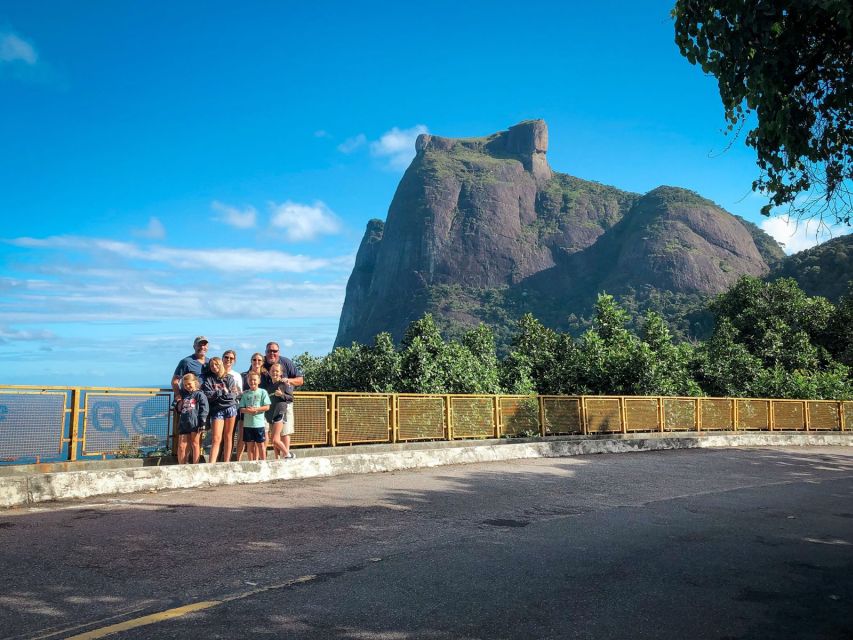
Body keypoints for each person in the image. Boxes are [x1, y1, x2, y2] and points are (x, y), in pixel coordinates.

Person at [261, 341, 303, 457]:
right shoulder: (260, 362)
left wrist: (287, 381)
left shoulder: (286, 362)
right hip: (267, 406)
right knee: (269, 434)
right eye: (269, 351)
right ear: (265, 352)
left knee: (285, 433)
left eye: (274, 351)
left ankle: (287, 456)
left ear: (278, 352)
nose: (272, 353)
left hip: (283, 406)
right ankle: (277, 458)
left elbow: (300, 380)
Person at [201, 356, 239, 463]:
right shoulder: (209, 380)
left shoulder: (229, 378)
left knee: (228, 436)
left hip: (230, 408)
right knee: (216, 438)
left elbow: (232, 396)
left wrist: (216, 394)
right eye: (211, 365)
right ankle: (211, 463)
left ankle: (227, 461)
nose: (214, 367)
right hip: (217, 410)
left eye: (216, 364)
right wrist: (222, 392)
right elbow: (208, 395)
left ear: (220, 364)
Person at [233, 352, 265, 462]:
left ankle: (256, 461)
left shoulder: (266, 376)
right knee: (242, 437)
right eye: (254, 359)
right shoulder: (244, 375)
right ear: (251, 361)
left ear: (262, 362)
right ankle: (239, 460)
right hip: (245, 411)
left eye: (259, 360)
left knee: (258, 440)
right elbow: (238, 391)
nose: (256, 362)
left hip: (261, 413)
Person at [176, 373, 208, 464]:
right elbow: (180, 409)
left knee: (195, 444)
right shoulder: (185, 396)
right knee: (182, 446)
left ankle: (195, 465)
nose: (187, 386)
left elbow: (204, 409)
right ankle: (181, 466)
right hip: (184, 423)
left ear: (195, 382)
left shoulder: (200, 395)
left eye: (189, 384)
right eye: (185, 385)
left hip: (195, 423)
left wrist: (202, 422)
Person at [171, 336, 210, 409]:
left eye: (204, 345)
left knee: (204, 419)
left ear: (207, 347)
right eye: (199, 345)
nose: (202, 347)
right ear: (194, 347)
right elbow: (175, 381)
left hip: (206, 400)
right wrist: (178, 396)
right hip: (190, 400)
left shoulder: (210, 362)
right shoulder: (186, 362)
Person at [266, 363, 294, 459]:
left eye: (277, 371)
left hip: (280, 414)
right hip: (271, 415)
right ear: (269, 372)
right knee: (275, 441)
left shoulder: (284, 384)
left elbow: (290, 398)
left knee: (274, 440)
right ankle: (277, 459)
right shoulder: (269, 387)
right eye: (273, 371)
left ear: (281, 373)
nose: (274, 373)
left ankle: (288, 454)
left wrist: (281, 395)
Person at [239, 372, 270, 461]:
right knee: (249, 446)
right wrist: (247, 410)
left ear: (259, 381)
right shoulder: (245, 394)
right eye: (250, 380)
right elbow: (241, 408)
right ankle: (251, 463)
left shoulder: (263, 392)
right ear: (247, 381)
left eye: (254, 380)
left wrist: (256, 409)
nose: (252, 382)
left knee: (261, 445)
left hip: (259, 424)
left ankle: (263, 462)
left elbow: (267, 406)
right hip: (248, 425)